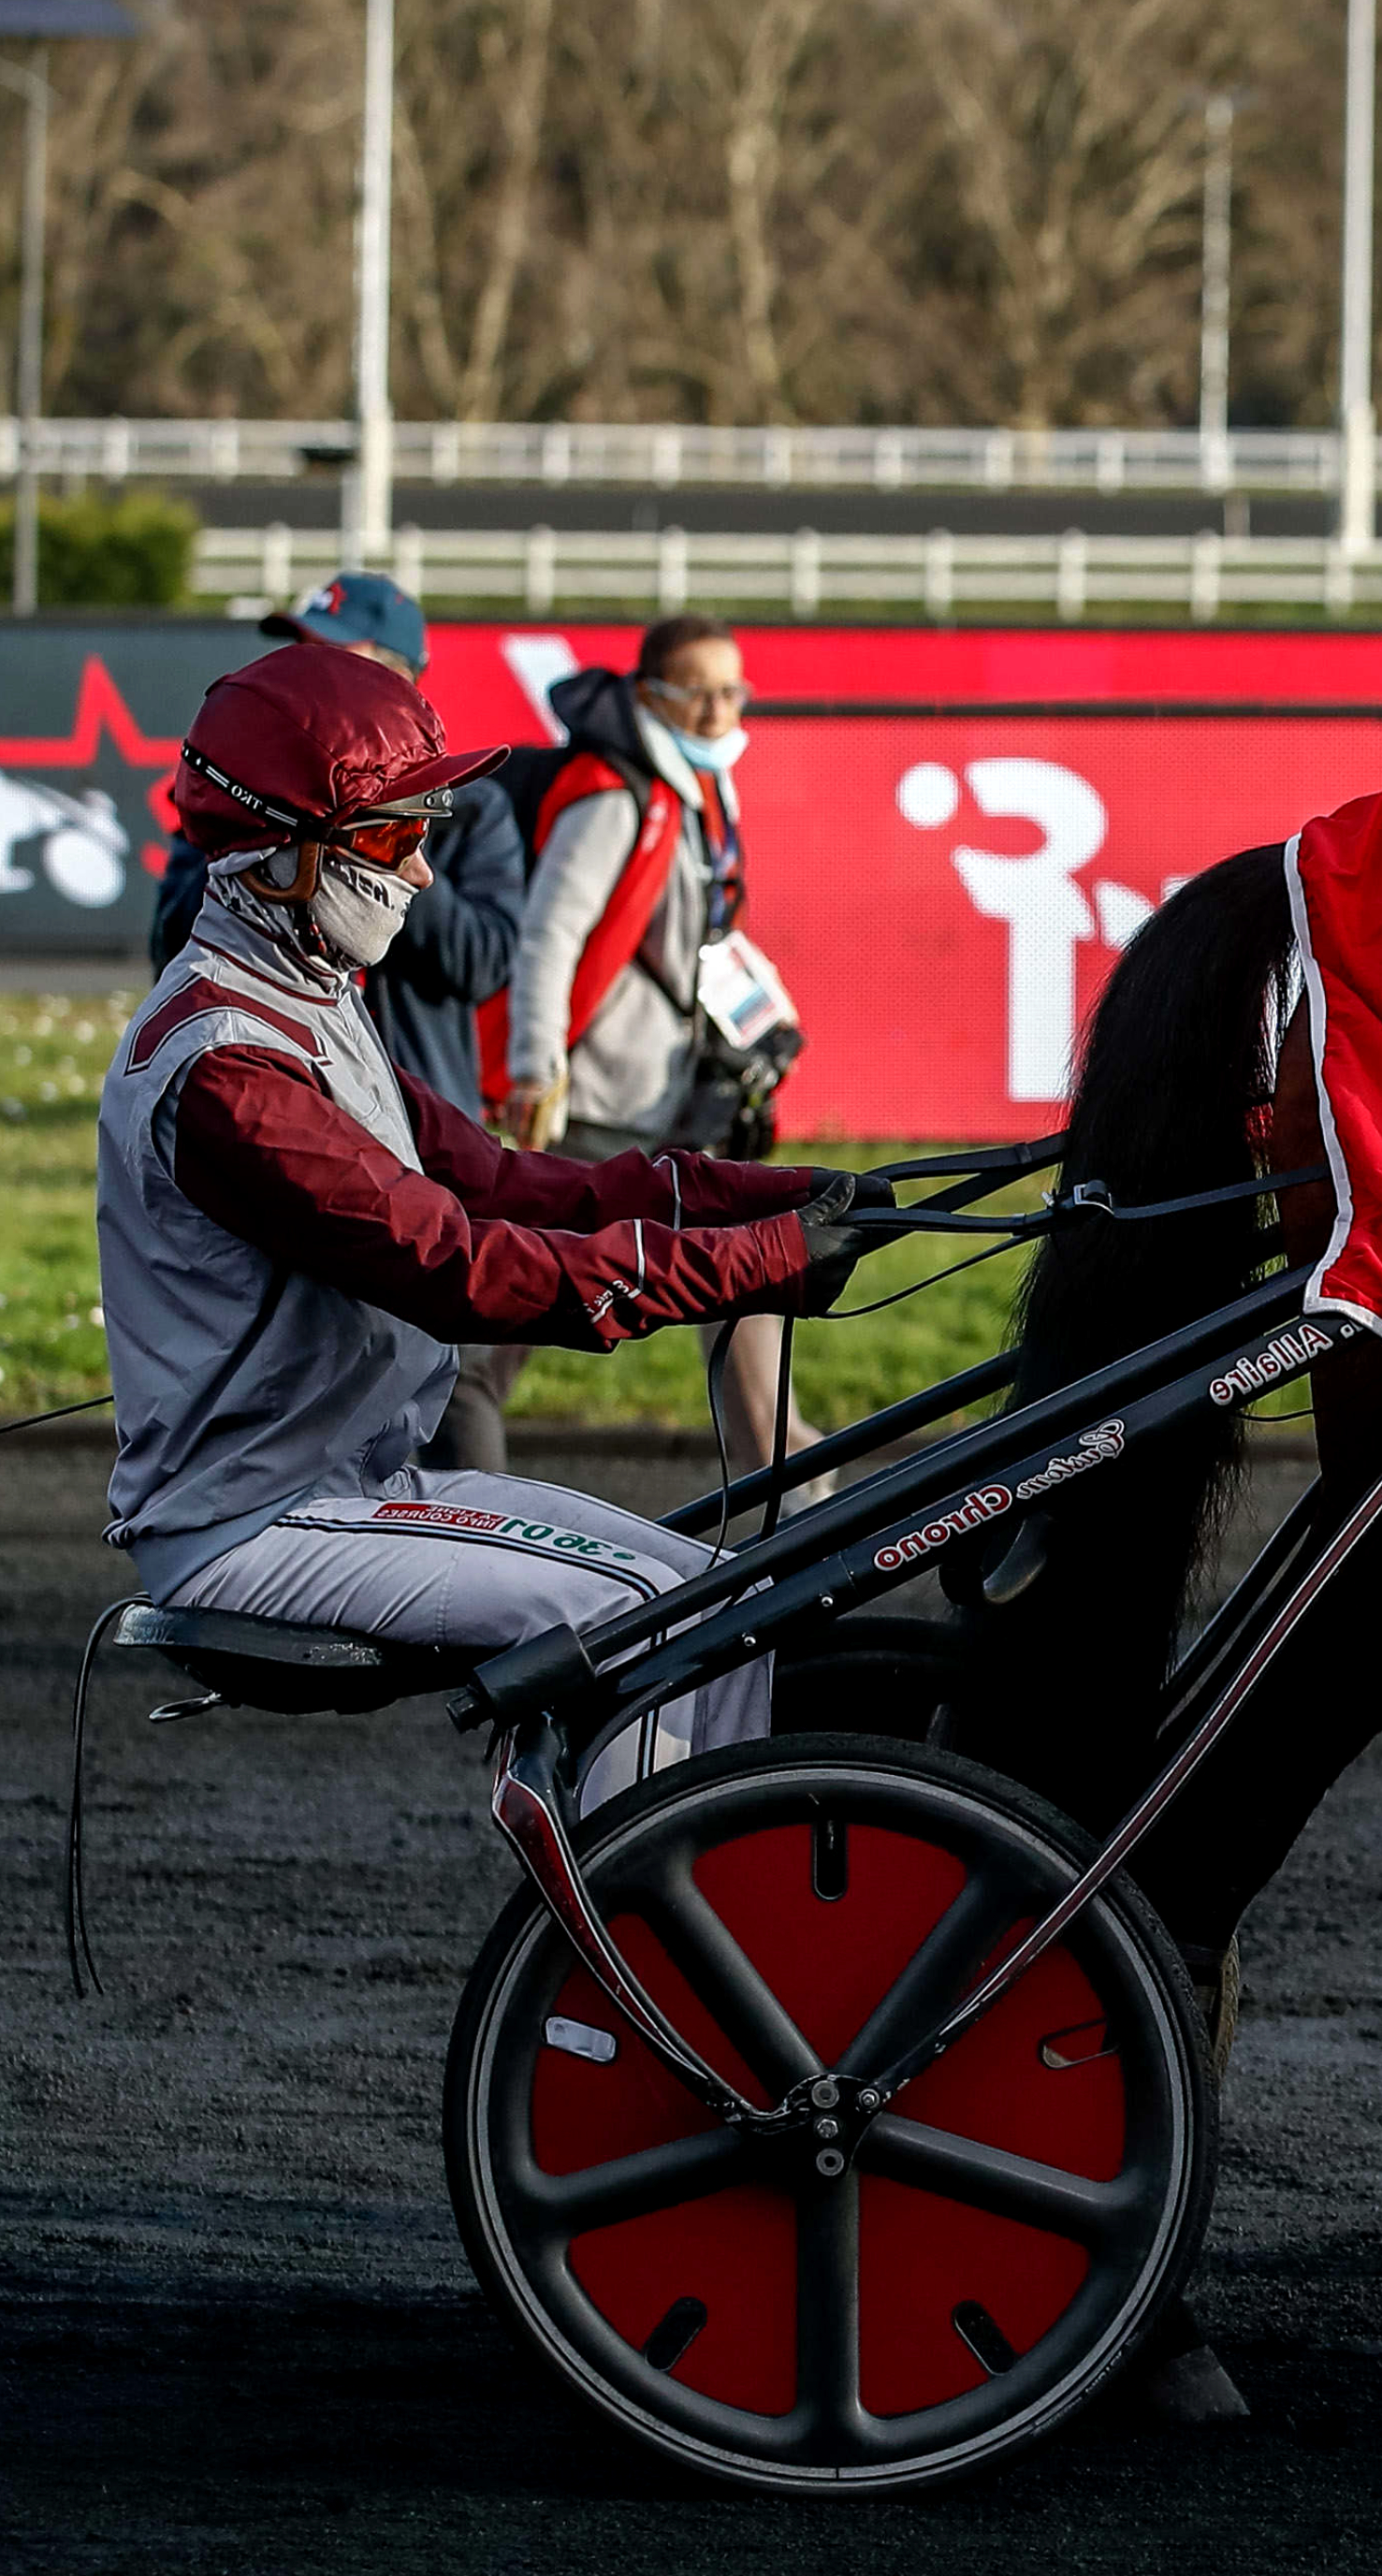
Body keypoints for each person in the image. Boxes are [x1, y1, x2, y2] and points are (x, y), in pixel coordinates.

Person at [98, 642, 884, 1803]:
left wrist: (773, 1196)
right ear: (277, 857)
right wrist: (750, 1266)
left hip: (354, 1491)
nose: (422, 872)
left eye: (430, 832)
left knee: (728, 1597)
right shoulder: (229, 1078)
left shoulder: (309, 1004)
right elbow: (458, 1269)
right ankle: (621, 1947)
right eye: (393, 837)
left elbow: (513, 1182)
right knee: (643, 1621)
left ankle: (717, 1918)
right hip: (252, 1533)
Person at [148, 573, 533, 1466]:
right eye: (297, 647)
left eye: (331, 653)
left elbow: (483, 960)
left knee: (446, 1380)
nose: (301, 668)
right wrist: (310, 836)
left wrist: (384, 842)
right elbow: (174, 935)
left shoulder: (475, 809)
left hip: (417, 1117)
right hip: (288, 1119)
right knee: (302, 1384)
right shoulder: (249, 788)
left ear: (401, 677)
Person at [491, 614, 813, 1483]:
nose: (719, 711)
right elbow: (547, 936)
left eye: (732, 690)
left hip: (664, 1098)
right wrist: (533, 1067)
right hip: (599, 1106)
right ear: (649, 697)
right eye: (699, 691)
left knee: (740, 1276)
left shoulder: (699, 787)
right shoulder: (612, 793)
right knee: (527, 1299)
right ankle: (442, 1441)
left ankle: (783, 1471)